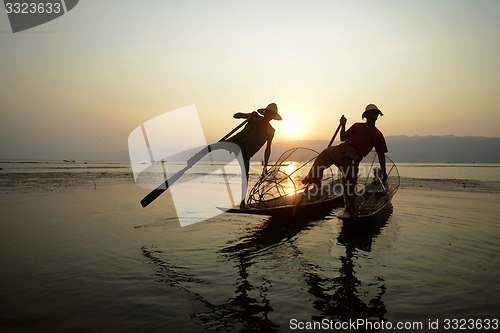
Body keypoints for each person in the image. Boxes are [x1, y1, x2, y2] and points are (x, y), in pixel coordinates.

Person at [302, 104, 388, 219]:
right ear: (366, 116)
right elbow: (343, 137)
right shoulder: (357, 126)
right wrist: (343, 124)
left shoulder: (378, 135)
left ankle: (350, 210)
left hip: (352, 159)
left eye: (375, 114)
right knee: (325, 154)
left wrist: (384, 171)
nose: (373, 116)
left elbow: (381, 155)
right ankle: (314, 179)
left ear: (377, 116)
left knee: (349, 187)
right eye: (370, 114)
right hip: (341, 149)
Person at [188, 103, 281, 208]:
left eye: (271, 115)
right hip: (236, 142)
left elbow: (268, 149)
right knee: (214, 147)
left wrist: (265, 167)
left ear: (273, 117)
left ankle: (242, 203)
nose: (269, 116)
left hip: (246, 153)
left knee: (245, 177)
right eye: (268, 113)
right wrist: (247, 115)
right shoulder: (254, 118)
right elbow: (236, 115)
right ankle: (194, 158)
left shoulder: (271, 131)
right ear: (265, 112)